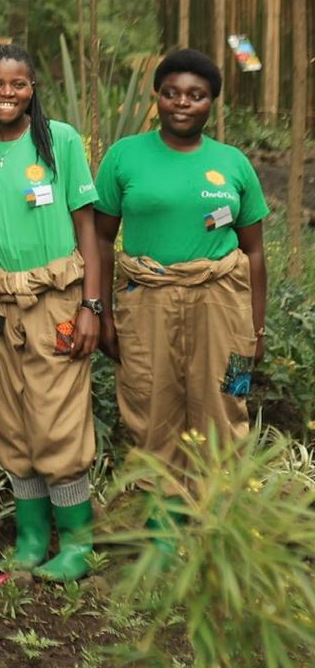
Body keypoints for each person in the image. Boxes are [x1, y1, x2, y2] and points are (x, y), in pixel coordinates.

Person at [92, 48, 267, 512]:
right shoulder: (124, 157)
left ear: (213, 102)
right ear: (157, 97)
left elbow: (254, 251)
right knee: (150, 402)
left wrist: (257, 327)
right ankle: (161, 524)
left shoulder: (232, 163)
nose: (183, 103)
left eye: (196, 95)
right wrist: (103, 312)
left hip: (224, 305)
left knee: (228, 400)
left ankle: (222, 521)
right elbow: (101, 239)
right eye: (171, 93)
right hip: (146, 300)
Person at [0, 44, 101, 582]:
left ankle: (76, 543)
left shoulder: (60, 142)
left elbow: (88, 227)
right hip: (2, 305)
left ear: (32, 88)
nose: (8, 93)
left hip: (58, 300)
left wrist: (93, 304)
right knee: (12, 421)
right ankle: (29, 539)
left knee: (58, 419)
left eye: (18, 84)